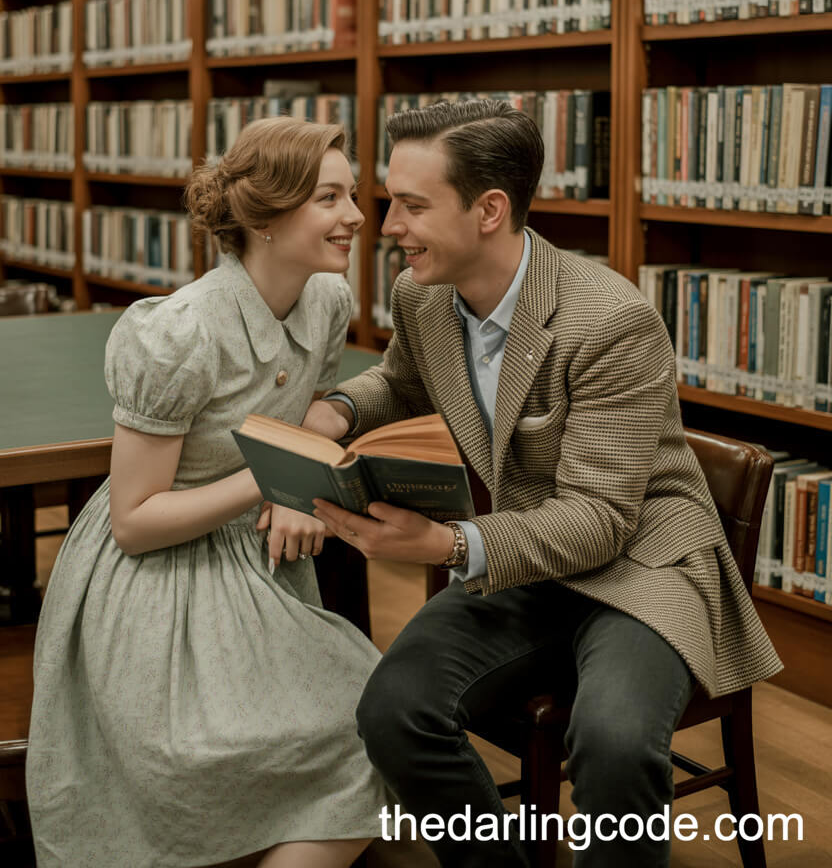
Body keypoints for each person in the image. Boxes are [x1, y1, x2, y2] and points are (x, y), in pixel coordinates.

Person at [304, 98, 783, 868]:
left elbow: (599, 522)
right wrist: (332, 411)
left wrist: (444, 542)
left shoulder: (609, 320)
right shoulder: (423, 296)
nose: (386, 225)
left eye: (413, 205)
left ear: (489, 209)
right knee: (393, 709)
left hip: (640, 564)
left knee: (617, 742)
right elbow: (399, 383)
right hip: (528, 554)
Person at [26, 116, 388, 868]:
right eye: (329, 197)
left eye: (351, 194)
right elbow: (134, 521)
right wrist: (276, 474)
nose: (356, 215)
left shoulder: (323, 301)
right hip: (161, 581)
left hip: (263, 567)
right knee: (213, 753)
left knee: (384, 723)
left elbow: (310, 408)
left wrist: (302, 465)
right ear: (265, 215)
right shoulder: (177, 333)